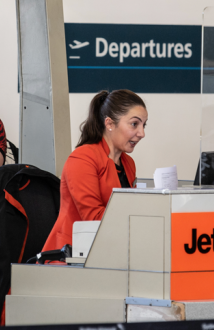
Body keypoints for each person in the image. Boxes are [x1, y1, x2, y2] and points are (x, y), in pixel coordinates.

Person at [42, 90, 146, 251]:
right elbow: (93, 219)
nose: (142, 133)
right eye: (134, 124)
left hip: (109, 249)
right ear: (110, 124)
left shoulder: (128, 163)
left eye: (143, 125)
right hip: (72, 255)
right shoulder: (82, 158)